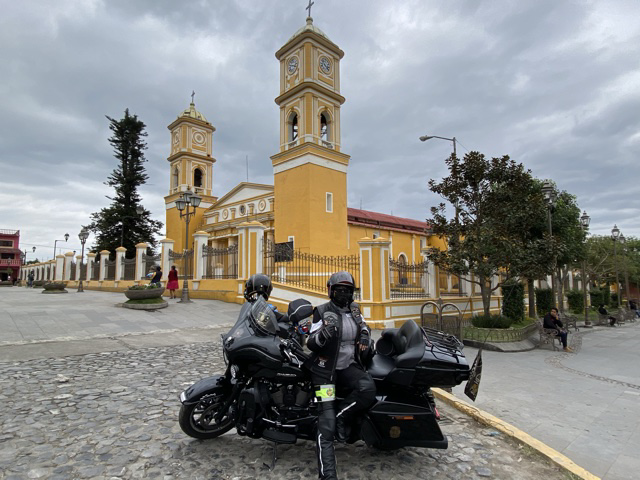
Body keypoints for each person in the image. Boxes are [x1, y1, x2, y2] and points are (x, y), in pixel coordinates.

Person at [306, 271, 376, 480]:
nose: (343, 294)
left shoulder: (355, 310)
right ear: (330, 290)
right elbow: (310, 342)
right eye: (339, 290)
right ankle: (327, 475)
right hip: (325, 371)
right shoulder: (321, 311)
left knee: (368, 389)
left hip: (348, 367)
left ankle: (341, 416)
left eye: (347, 290)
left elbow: (364, 325)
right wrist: (323, 335)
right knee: (326, 426)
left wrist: (364, 332)